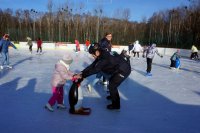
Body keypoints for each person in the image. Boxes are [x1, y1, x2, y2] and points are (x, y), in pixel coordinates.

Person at [74, 43, 131, 110]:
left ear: (97, 52)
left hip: (124, 70)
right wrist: (82, 72)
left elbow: (95, 70)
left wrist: (82, 76)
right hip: (118, 69)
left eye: (92, 54)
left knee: (112, 85)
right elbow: (92, 65)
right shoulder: (101, 54)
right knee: (112, 83)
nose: (92, 56)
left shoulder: (104, 58)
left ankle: (116, 105)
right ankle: (113, 96)